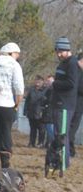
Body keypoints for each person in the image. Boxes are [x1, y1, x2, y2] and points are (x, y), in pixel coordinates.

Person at [50, 37, 79, 168]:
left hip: (65, 105)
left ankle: (63, 164)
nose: (58, 54)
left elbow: (71, 84)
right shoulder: (62, 63)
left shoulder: (72, 63)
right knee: (58, 134)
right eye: (57, 51)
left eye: (61, 51)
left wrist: (54, 83)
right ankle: (59, 161)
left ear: (67, 50)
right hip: (58, 104)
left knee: (62, 135)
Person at [23, 75, 47, 147]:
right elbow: (27, 101)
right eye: (36, 80)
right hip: (31, 112)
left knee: (41, 129)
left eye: (39, 81)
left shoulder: (45, 90)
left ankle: (40, 143)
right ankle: (31, 143)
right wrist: (25, 111)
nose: (37, 82)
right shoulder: (31, 90)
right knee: (33, 129)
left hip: (41, 112)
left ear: (42, 82)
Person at [68, 52, 83, 157]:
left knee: (72, 128)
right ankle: (70, 150)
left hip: (77, 103)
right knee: (72, 128)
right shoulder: (77, 71)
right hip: (76, 103)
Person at [42, 75, 55, 146]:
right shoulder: (46, 90)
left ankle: (52, 144)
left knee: (51, 130)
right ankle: (48, 143)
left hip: (52, 114)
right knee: (48, 128)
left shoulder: (55, 90)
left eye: (49, 81)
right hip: (47, 113)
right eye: (47, 81)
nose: (48, 82)